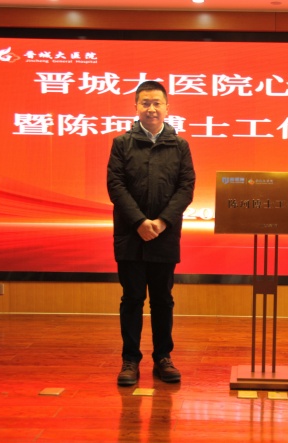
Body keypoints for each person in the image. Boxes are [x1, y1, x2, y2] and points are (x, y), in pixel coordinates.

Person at [107, 80, 196, 386]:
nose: (151, 108)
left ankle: (163, 358)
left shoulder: (180, 145)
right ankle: (130, 360)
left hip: (164, 235)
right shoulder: (121, 143)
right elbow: (115, 186)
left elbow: (186, 187)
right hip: (130, 234)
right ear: (136, 107)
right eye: (145, 103)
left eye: (157, 103)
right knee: (132, 299)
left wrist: (162, 222)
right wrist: (140, 222)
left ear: (167, 108)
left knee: (162, 300)